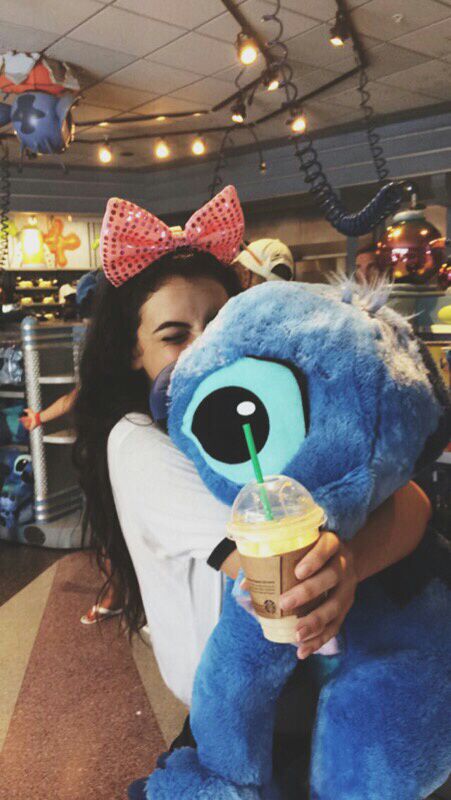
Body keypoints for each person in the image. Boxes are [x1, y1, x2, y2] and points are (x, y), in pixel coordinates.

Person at [73, 189, 431, 795]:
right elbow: (286, 573)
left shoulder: (259, 420)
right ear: (134, 353)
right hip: (249, 707)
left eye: (215, 324)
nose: (202, 351)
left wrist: (347, 562)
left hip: (306, 687)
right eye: (174, 335)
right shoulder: (141, 445)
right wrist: (345, 562)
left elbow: (413, 503)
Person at [20, 269, 122, 625]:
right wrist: (40, 418)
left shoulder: (108, 348)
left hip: (113, 454)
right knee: (114, 527)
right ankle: (122, 594)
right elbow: (77, 397)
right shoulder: (113, 344)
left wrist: (41, 418)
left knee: (113, 529)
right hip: (109, 453)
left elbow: (76, 397)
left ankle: (117, 595)